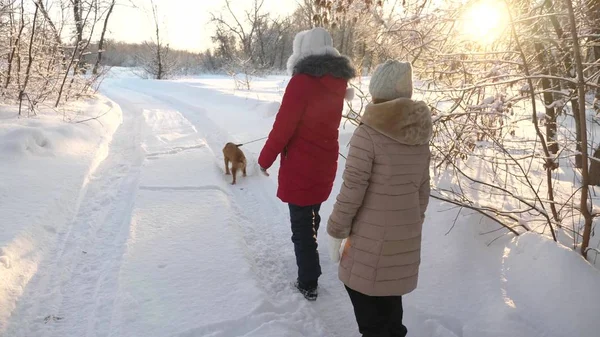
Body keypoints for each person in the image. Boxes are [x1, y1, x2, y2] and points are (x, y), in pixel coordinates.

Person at [327, 60, 432, 336]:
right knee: (389, 300)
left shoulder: (368, 133)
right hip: (404, 236)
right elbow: (423, 191)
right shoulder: (419, 134)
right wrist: (410, 225)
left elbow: (352, 189)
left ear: (377, 91)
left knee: (364, 299)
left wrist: (337, 229)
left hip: (370, 241)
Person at [258, 27, 356, 301]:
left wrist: (265, 159)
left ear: (303, 50)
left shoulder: (301, 82)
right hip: (325, 161)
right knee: (311, 213)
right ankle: (310, 258)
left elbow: (283, 127)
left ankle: (308, 281)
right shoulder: (338, 83)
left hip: (301, 164)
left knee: (300, 225)